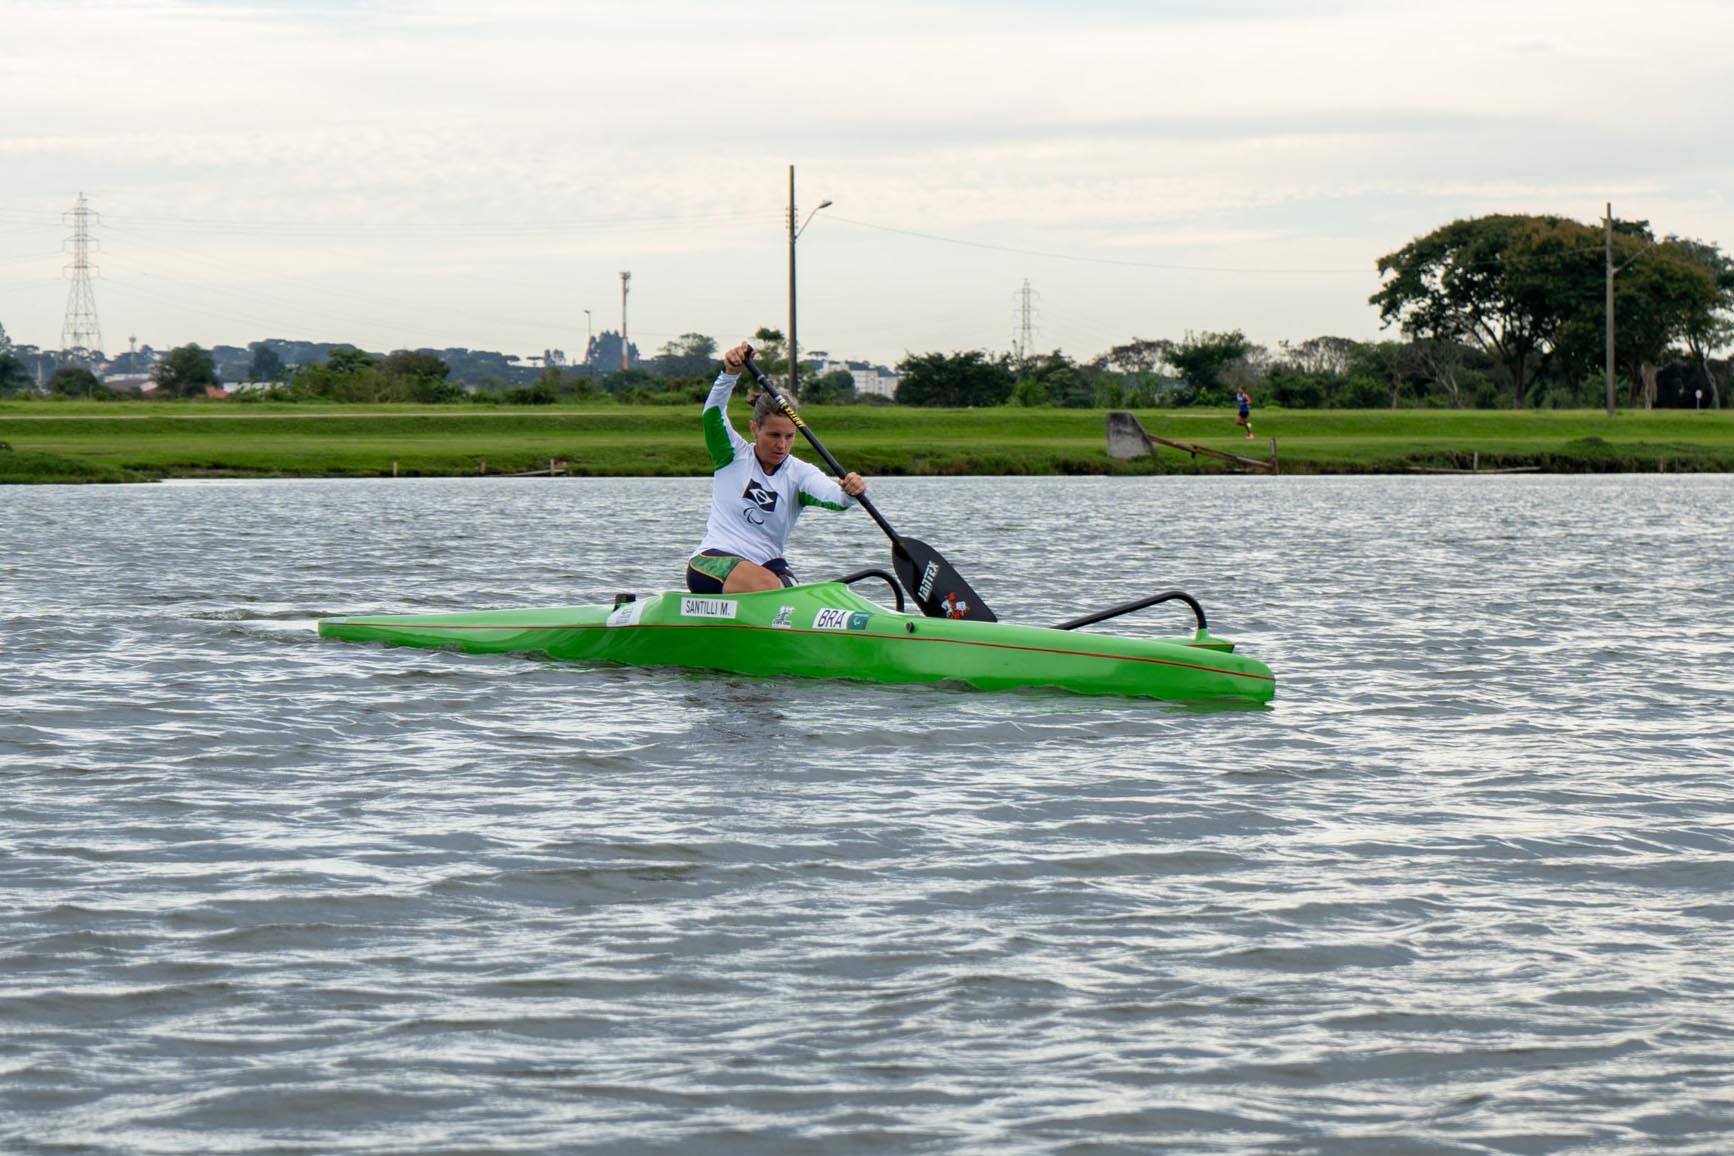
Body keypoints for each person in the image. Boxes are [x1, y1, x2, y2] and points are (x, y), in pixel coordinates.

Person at [685, 341, 866, 594]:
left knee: (799, 594)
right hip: (712, 562)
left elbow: (836, 498)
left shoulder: (800, 474)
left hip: (767, 565)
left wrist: (850, 490)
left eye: (789, 436)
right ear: (754, 429)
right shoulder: (731, 454)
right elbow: (713, 412)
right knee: (770, 586)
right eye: (773, 435)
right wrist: (730, 373)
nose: (782, 445)